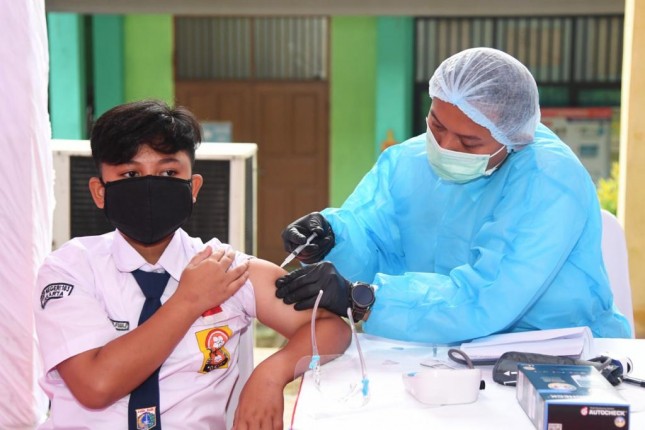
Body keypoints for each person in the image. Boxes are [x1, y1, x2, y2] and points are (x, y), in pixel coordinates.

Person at [275, 47, 632, 344]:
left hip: (557, 351)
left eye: (469, 141)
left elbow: (487, 297)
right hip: (432, 348)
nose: (444, 146)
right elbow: (374, 236)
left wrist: (363, 300)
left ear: (513, 135)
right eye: (437, 125)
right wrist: (331, 238)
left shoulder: (549, 181)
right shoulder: (408, 161)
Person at [33, 100, 351, 430]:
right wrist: (189, 300)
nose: (150, 186)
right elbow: (96, 385)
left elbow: (331, 328)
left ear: (193, 187)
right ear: (100, 192)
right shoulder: (70, 270)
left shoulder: (227, 269)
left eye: (169, 173)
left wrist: (273, 372)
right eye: (130, 174)